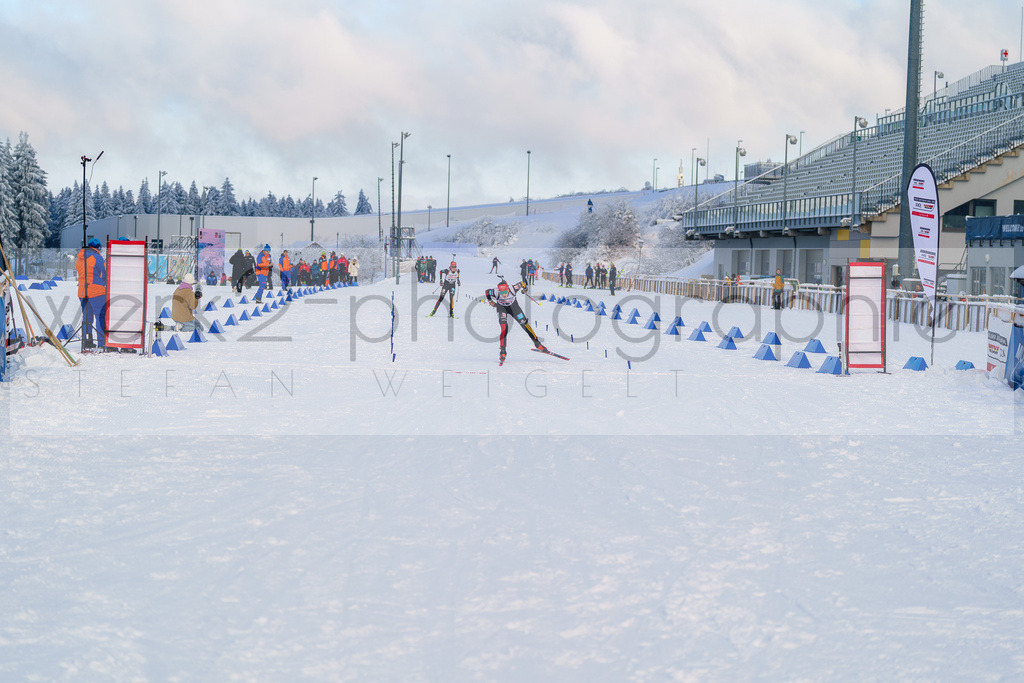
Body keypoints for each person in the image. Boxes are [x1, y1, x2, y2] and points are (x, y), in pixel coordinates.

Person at [485, 278, 546, 364]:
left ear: (507, 289)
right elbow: (487, 292)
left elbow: (523, 283)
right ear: (499, 291)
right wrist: (491, 302)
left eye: (505, 292)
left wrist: (525, 290)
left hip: (514, 308)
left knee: (525, 325)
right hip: (502, 308)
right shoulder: (495, 292)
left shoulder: (513, 288)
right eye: (501, 293)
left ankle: (537, 344)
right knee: (504, 327)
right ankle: (503, 351)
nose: (504, 295)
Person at [76, 237, 107, 349]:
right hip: (96, 292)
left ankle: (87, 341)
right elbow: (104, 272)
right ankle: (102, 342)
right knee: (100, 316)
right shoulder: (97, 258)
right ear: (98, 247)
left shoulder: (79, 257)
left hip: (82, 291)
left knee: (87, 317)